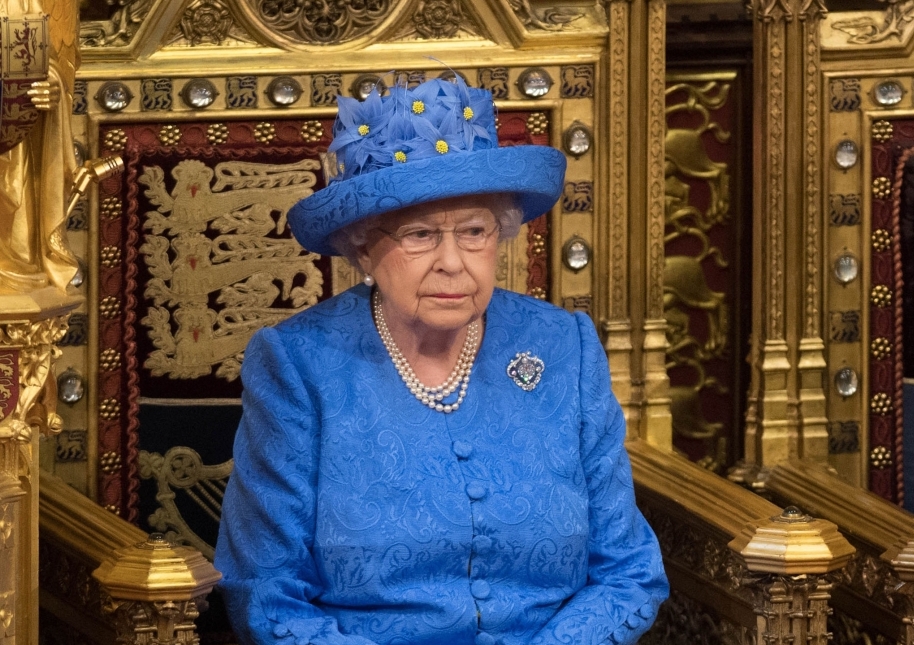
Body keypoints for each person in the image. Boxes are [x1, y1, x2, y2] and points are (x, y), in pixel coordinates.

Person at [214, 75, 668, 645]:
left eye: (474, 231)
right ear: (363, 247)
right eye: (420, 235)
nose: (453, 262)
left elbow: (628, 571)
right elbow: (265, 591)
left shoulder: (563, 346)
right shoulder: (299, 365)